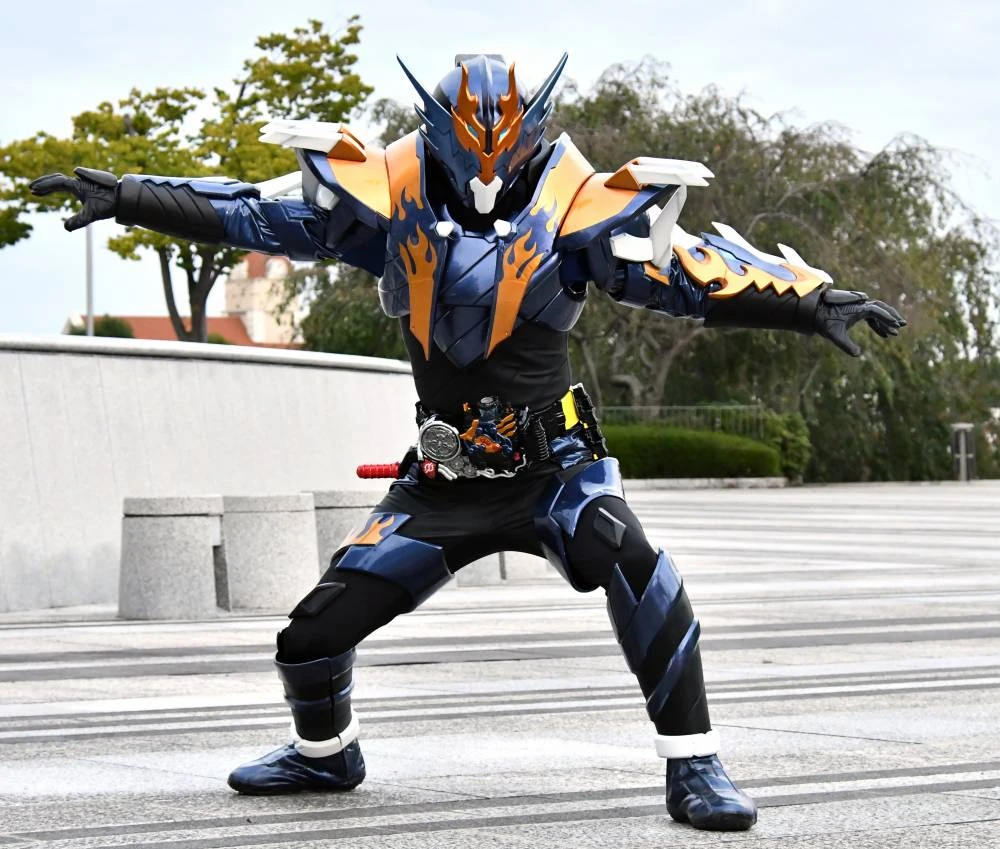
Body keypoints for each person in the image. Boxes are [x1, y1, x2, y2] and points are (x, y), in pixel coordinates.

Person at [31, 52, 905, 832]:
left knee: (636, 564)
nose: (487, 184)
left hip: (558, 475)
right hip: (445, 480)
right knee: (309, 639)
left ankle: (696, 763)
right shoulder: (388, 204)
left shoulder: (578, 213)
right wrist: (131, 196)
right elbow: (251, 213)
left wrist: (810, 300)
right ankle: (326, 754)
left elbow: (689, 275)